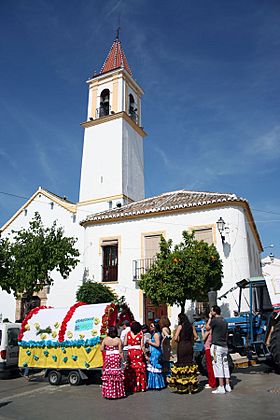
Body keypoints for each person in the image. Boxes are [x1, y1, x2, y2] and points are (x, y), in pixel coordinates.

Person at [168, 313, 199, 394]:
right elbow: (196, 337)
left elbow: (175, 338)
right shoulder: (191, 326)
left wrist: (179, 339)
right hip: (189, 346)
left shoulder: (180, 326)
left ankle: (183, 385)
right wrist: (191, 340)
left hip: (182, 346)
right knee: (189, 365)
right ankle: (191, 386)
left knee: (182, 365)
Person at [206, 305, 231, 394]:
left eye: (212, 311)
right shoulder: (224, 321)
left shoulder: (214, 320)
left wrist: (209, 318)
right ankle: (227, 385)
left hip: (217, 346)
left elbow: (207, 327)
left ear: (214, 312)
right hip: (224, 345)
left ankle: (221, 386)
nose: (211, 312)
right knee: (225, 365)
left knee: (218, 365)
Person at [100, 326, 126, 399]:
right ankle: (117, 392)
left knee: (109, 373)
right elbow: (120, 352)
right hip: (116, 357)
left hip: (108, 357)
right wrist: (124, 361)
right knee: (116, 374)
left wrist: (107, 350)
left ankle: (109, 392)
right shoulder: (118, 340)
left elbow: (101, 349)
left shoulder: (105, 339)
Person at [124, 321, 147, 392]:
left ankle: (130, 385)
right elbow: (142, 346)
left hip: (130, 351)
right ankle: (140, 385)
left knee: (131, 366)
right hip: (138, 352)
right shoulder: (140, 334)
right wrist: (145, 355)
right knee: (139, 367)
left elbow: (125, 343)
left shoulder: (128, 333)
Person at [146, 322, 166, 390]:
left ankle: (157, 384)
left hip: (156, 352)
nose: (150, 327)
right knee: (152, 366)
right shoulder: (154, 334)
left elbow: (157, 344)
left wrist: (149, 342)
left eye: (152, 326)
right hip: (153, 351)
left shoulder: (156, 335)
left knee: (154, 366)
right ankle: (154, 384)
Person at [201, 322, 216, 389]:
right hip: (211, 348)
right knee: (212, 365)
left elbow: (203, 338)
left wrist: (202, 330)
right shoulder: (213, 331)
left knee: (209, 366)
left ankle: (212, 382)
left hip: (208, 348)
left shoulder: (208, 331)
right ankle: (213, 381)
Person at [160, 316, 172, 380]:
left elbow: (167, 335)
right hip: (168, 346)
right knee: (167, 360)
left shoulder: (164, 329)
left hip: (164, 346)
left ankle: (167, 377)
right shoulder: (168, 328)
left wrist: (166, 337)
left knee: (165, 361)